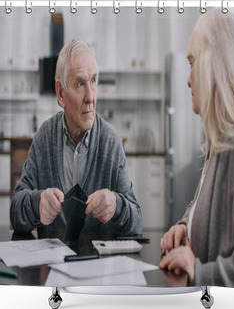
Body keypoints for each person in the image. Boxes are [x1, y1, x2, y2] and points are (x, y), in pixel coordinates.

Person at [159, 9, 234, 287]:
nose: (188, 80)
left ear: (213, 65)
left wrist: (199, 271)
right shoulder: (218, 146)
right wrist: (183, 226)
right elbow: (199, 206)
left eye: (193, 63)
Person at [10, 39, 142, 240]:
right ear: (61, 93)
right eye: (80, 83)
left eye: (93, 81)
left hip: (98, 268)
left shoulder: (111, 141)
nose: (90, 97)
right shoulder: (45, 137)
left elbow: (137, 222)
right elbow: (15, 213)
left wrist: (116, 206)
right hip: (52, 267)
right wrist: (38, 204)